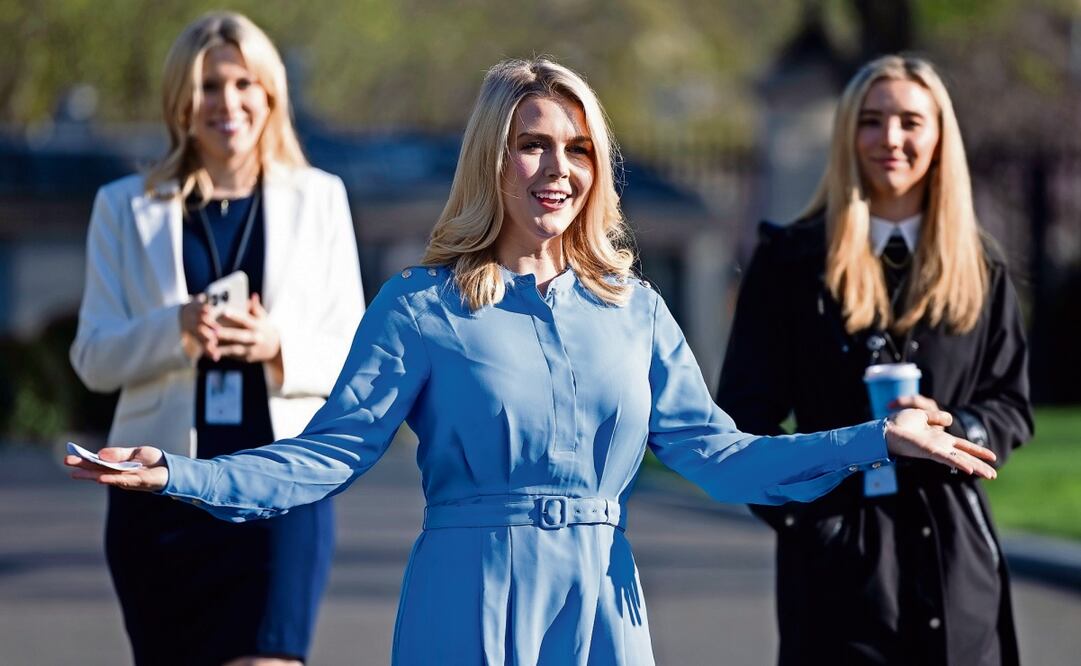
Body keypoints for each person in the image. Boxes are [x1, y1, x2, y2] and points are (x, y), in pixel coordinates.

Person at [67, 57, 996, 666]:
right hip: (464, 602)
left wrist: (875, 440)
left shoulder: (633, 310)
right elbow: (323, 457)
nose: (559, 169)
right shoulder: (420, 305)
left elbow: (723, 454)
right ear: (493, 159)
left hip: (604, 606)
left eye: (579, 149)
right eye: (534, 145)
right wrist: (181, 472)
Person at [68, 12, 364, 666]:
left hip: (280, 490)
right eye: (206, 87)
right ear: (180, 101)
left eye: (241, 84)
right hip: (159, 492)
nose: (225, 103)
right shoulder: (123, 206)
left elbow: (353, 353)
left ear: (268, 95)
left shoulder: (320, 198)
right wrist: (172, 329)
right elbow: (91, 358)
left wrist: (276, 344)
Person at [717, 55, 1032, 666]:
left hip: (957, 564)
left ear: (939, 137)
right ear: (846, 135)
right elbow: (743, 418)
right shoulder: (789, 263)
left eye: (911, 121)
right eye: (872, 120)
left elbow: (1011, 403)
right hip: (836, 577)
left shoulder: (982, 267)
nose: (891, 137)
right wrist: (810, 520)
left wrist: (957, 429)